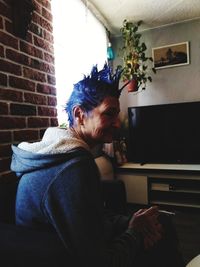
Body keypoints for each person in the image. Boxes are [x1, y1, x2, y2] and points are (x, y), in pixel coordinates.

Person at [11, 63, 184, 267]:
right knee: (162, 230)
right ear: (79, 115)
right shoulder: (73, 167)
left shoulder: (60, 155)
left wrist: (132, 222)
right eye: (109, 113)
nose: (118, 123)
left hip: (70, 249)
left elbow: (92, 221)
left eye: (117, 114)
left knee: (158, 222)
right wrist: (135, 232)